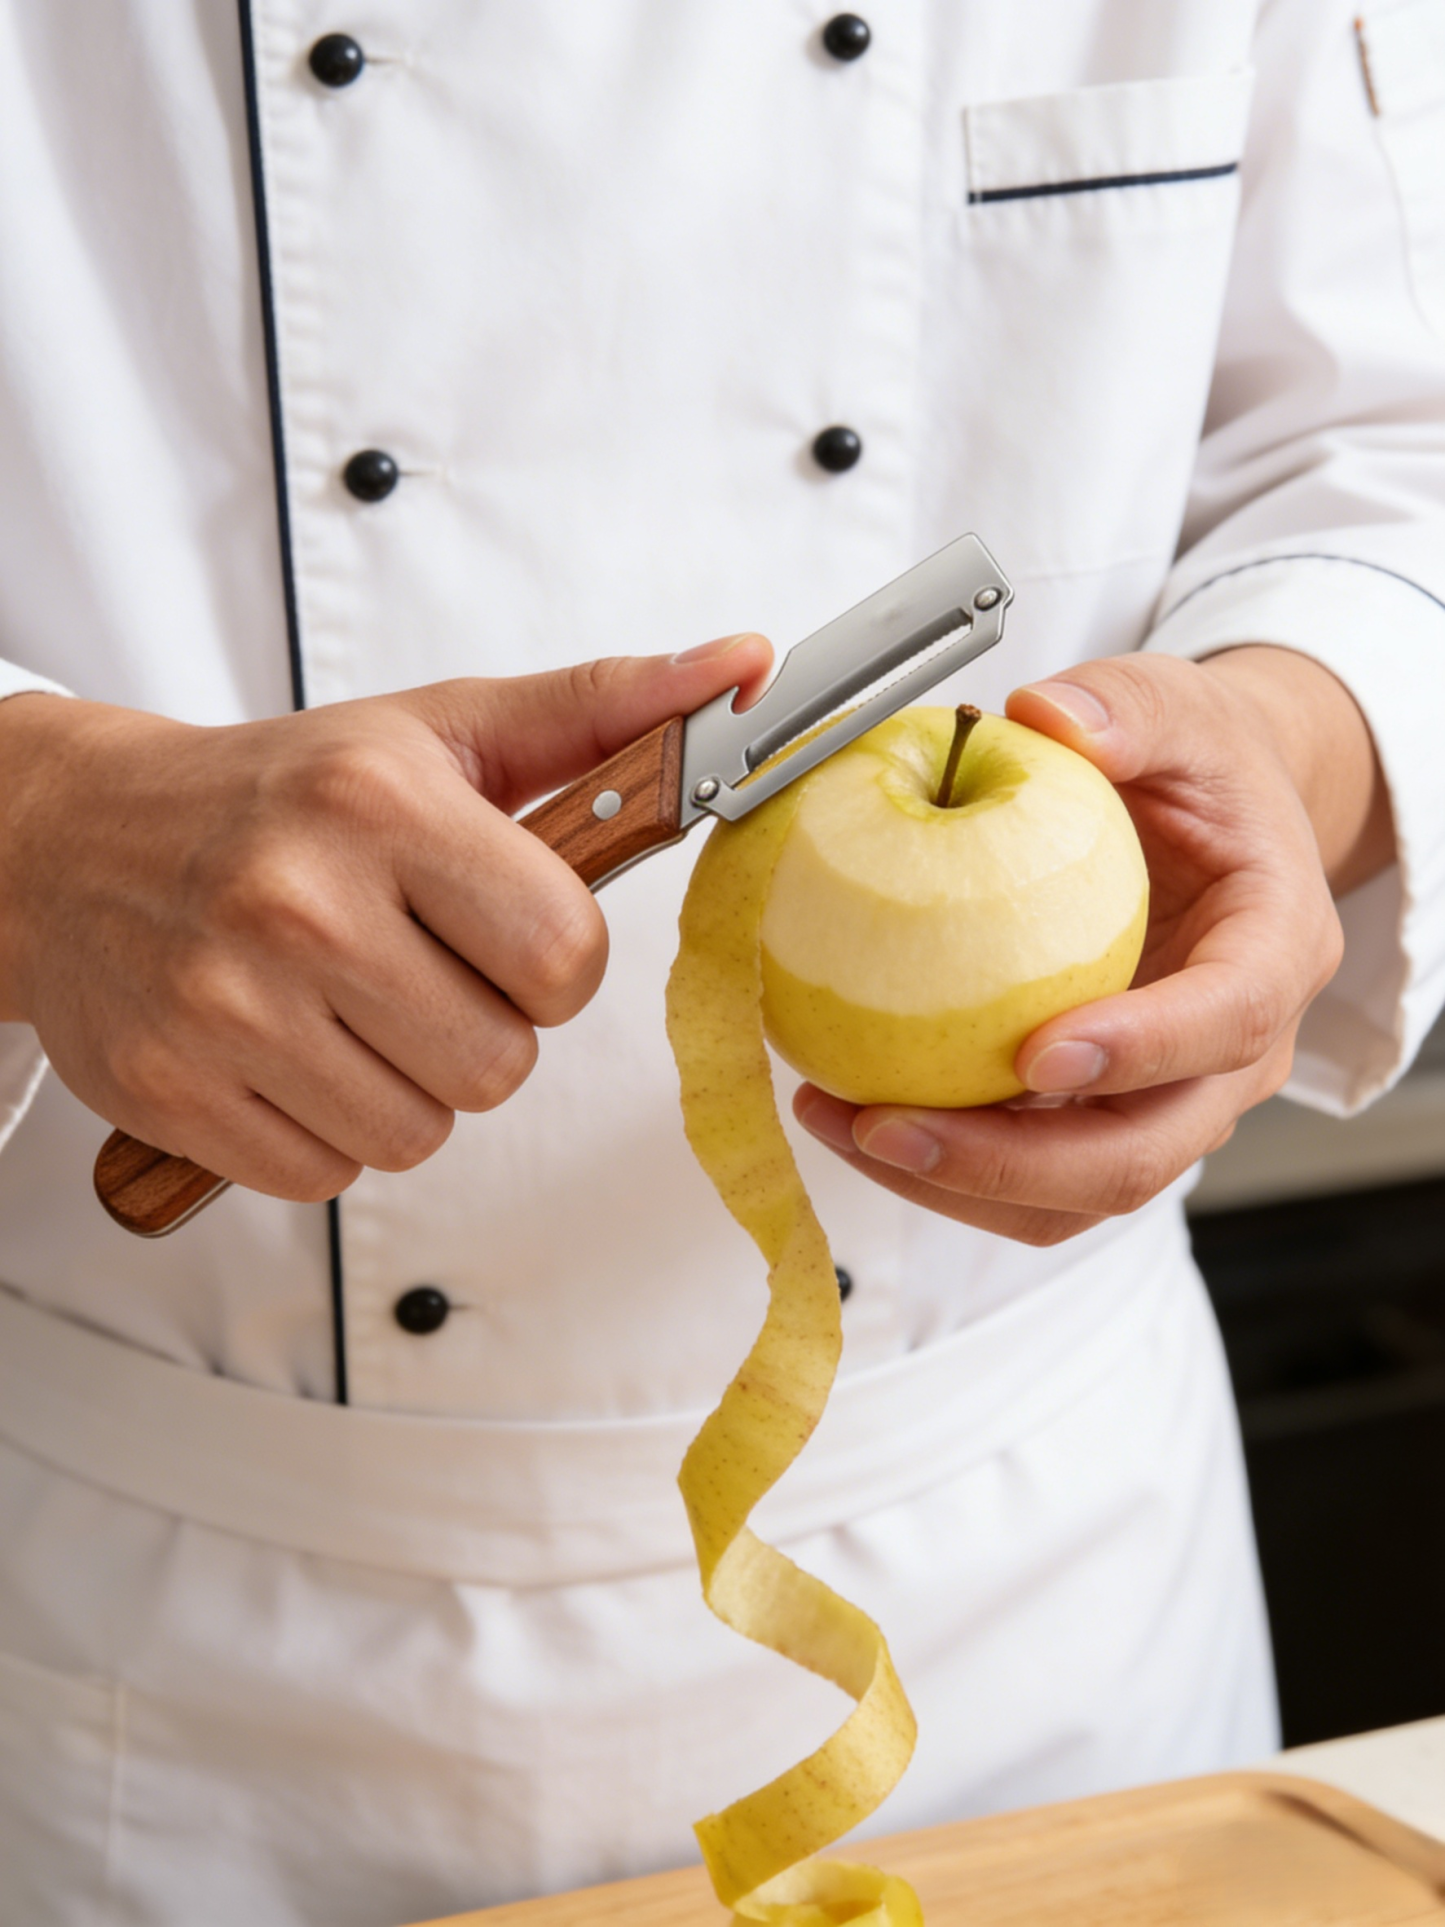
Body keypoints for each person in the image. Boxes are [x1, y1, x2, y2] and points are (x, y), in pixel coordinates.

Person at [0, 3, 1442, 1921]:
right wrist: (31, 830)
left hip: (1039, 1618)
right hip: (181, 1688)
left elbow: (1390, 421)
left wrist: (1290, 740)